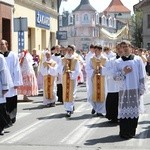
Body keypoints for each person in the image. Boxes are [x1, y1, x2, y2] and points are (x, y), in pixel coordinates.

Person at [113, 41, 146, 139]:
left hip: (135, 89)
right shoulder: (118, 62)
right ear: (121, 49)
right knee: (124, 113)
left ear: (130, 47)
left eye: (126, 46)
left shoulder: (138, 59)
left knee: (134, 112)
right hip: (124, 90)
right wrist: (124, 72)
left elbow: (142, 75)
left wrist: (141, 88)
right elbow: (115, 77)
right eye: (122, 47)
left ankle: (131, 132)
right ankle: (123, 132)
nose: (125, 48)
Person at [0, 39, 23, 124]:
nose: (1, 46)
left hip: (12, 82)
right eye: (0, 44)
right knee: (4, 101)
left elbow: (17, 69)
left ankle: (12, 117)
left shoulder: (13, 55)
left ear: (7, 45)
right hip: (3, 82)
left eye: (2, 44)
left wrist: (17, 82)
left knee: (11, 100)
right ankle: (6, 119)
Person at [102, 43, 123, 123]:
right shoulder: (111, 60)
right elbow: (105, 70)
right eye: (118, 48)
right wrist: (115, 73)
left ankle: (121, 116)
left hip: (123, 85)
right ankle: (113, 116)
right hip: (113, 84)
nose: (119, 50)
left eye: (121, 48)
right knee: (113, 100)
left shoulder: (127, 59)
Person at [86, 45, 107, 116]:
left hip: (102, 79)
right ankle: (95, 107)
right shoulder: (91, 59)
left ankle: (100, 110)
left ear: (101, 51)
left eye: (97, 50)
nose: (95, 52)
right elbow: (87, 68)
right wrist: (93, 71)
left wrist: (102, 69)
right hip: (93, 78)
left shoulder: (105, 59)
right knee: (92, 93)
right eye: (94, 50)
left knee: (101, 93)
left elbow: (108, 68)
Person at [59, 45, 80, 117]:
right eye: (68, 50)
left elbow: (78, 70)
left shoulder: (75, 60)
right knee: (65, 92)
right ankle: (68, 109)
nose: (69, 51)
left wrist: (72, 72)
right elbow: (59, 69)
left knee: (71, 93)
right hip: (65, 78)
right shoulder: (63, 59)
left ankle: (70, 107)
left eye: (70, 50)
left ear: (73, 51)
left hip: (72, 78)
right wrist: (63, 68)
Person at [0, 54, 13, 135]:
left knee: (1, 108)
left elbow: (4, 72)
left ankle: (1, 127)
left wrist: (5, 87)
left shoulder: (0, 57)